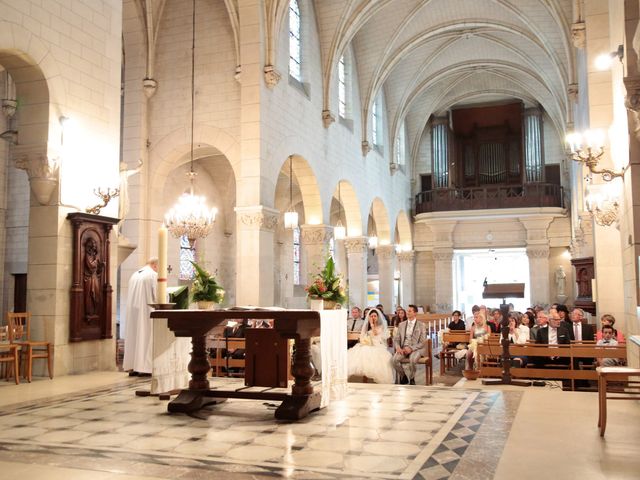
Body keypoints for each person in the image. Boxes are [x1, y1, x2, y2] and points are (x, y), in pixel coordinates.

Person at [122, 258, 158, 376]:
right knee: (146, 337)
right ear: (154, 265)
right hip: (147, 311)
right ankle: (145, 368)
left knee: (134, 337)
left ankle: (133, 366)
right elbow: (157, 296)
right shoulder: (152, 275)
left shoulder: (135, 275)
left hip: (134, 312)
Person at [347, 308, 394, 384]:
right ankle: (364, 379)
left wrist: (372, 324)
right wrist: (364, 341)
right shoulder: (368, 326)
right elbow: (364, 336)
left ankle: (371, 380)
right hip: (369, 345)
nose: (373, 318)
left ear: (378, 317)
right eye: (371, 316)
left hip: (378, 345)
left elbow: (375, 334)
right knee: (361, 352)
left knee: (373, 356)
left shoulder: (381, 326)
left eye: (375, 316)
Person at [392, 304, 427, 385]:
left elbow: (422, 341)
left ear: (415, 313)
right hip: (403, 348)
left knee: (413, 360)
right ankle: (403, 376)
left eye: (410, 311)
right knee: (394, 360)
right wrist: (398, 347)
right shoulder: (401, 324)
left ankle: (411, 378)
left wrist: (411, 348)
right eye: (407, 311)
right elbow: (396, 339)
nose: (407, 312)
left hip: (416, 348)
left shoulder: (421, 325)